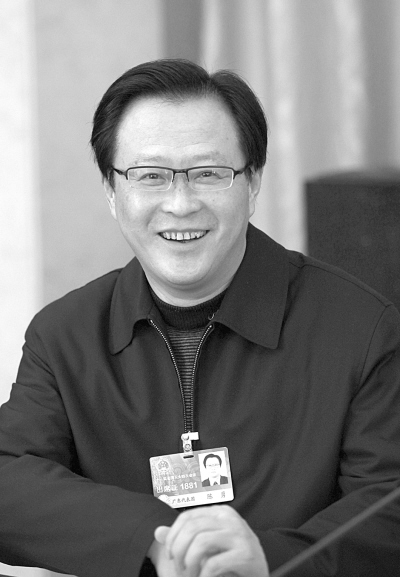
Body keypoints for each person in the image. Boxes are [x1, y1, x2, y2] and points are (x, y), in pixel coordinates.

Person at [0, 58, 399, 577]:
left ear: (252, 183)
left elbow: (388, 506)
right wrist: (156, 538)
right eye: (150, 176)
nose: (180, 204)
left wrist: (268, 560)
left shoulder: (361, 328)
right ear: (111, 191)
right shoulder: (64, 336)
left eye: (209, 173)